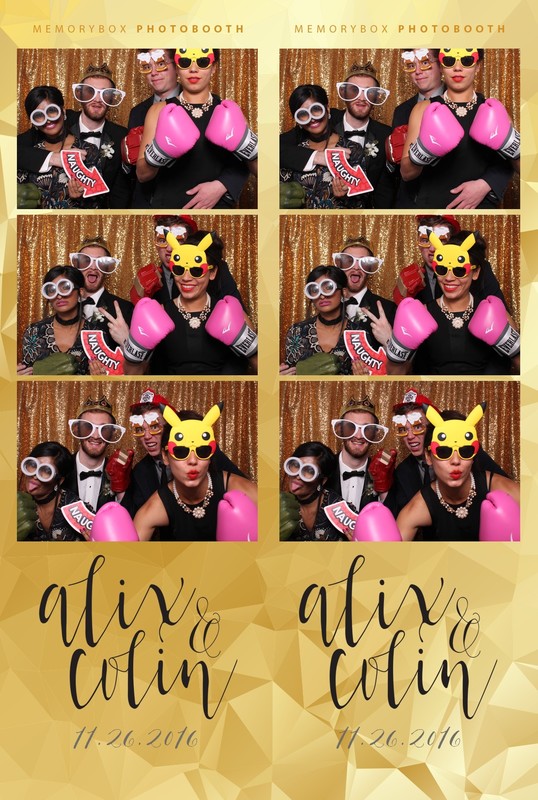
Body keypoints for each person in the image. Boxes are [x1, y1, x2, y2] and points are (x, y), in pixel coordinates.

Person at [122, 231, 257, 375]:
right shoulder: (159, 313)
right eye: (179, 269)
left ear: (212, 273)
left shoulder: (234, 314)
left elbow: (261, 372)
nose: (186, 278)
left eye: (196, 270)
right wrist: (134, 351)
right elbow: (132, 376)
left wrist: (250, 348)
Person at [387, 230, 520, 375]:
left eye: (459, 270)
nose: (449, 278)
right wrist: (396, 353)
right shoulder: (421, 313)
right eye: (442, 269)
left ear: (475, 273)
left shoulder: (496, 313)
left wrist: (513, 347)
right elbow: (395, 375)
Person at [401, 49, 518, 209]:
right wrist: (423, 151)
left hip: (481, 208)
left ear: (478, 66)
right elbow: (406, 174)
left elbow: (520, 168)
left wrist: (485, 184)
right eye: (449, 61)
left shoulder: (494, 109)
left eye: (467, 60)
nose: (457, 68)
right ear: (441, 67)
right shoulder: (423, 109)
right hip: (433, 206)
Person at [136, 48, 251, 208]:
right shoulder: (159, 110)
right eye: (185, 62)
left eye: (203, 62)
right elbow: (142, 175)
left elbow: (252, 167)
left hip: (217, 208)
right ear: (177, 68)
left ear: (214, 67)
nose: (193, 69)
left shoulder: (230, 110)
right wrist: (159, 152)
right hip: (170, 207)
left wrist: (221, 185)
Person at [132, 403, 257, 541]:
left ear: (211, 455)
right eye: (180, 452)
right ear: (165, 457)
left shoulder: (237, 487)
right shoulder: (155, 507)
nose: (192, 461)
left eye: (202, 451)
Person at [384, 387, 508, 523]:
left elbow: (506, 494)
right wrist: (383, 488)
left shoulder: (468, 453)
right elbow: (398, 518)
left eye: (418, 427)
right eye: (403, 429)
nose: (410, 436)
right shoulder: (403, 471)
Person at [397, 405, 520, 541]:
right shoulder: (420, 506)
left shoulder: (498, 487)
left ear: (474, 455)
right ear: (428, 457)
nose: (455, 461)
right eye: (443, 451)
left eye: (465, 451)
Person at [121, 386, 245, 520]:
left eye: (155, 427)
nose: (147, 436)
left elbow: (243, 493)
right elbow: (135, 518)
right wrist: (120, 488)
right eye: (140, 429)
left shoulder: (204, 453)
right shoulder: (140, 471)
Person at [392, 215, 509, 308]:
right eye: (425, 240)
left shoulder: (477, 269)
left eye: (441, 241)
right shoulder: (412, 278)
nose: (432, 249)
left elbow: (502, 315)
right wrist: (403, 301)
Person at [17, 85, 100, 209]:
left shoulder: (87, 150)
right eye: (39, 115)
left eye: (52, 111)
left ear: (63, 112)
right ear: (33, 122)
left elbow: (97, 200)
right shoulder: (29, 151)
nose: (48, 120)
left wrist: (81, 197)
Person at [329, 62, 395, 208]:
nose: (361, 98)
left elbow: (386, 189)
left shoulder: (385, 135)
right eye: (354, 90)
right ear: (344, 94)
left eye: (369, 92)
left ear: (376, 97)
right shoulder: (326, 122)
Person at [18, 265, 105, 375]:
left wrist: (99, 377)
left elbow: (106, 377)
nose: (59, 296)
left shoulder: (96, 335)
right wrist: (18, 377)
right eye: (52, 290)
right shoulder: (34, 332)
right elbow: (27, 376)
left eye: (65, 287)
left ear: (81, 292)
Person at [123, 49, 181, 208]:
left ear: (177, 66)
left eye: (161, 64)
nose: (154, 73)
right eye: (147, 67)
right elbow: (134, 172)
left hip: (183, 201)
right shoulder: (137, 111)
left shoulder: (196, 103)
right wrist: (126, 160)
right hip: (144, 203)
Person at [388, 48, 444, 207]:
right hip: (409, 201)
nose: (418, 71)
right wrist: (391, 158)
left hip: (448, 200)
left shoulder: (461, 102)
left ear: (441, 65)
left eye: (425, 63)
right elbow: (398, 171)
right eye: (412, 65)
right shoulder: (401, 110)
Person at [334, 236, 396, 374]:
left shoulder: (387, 309)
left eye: (363, 262)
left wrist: (389, 340)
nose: (356, 267)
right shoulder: (328, 306)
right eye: (349, 261)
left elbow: (402, 367)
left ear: (369, 268)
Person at [281, 266, 357, 375]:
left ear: (343, 292)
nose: (321, 296)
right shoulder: (297, 332)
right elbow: (291, 375)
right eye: (315, 290)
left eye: (328, 287)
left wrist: (363, 377)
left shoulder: (358, 334)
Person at [279, 84, 344, 208]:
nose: (312, 118)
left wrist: (347, 194)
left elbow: (362, 198)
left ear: (327, 109)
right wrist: (317, 156)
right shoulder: (294, 148)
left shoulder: (349, 147)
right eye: (303, 114)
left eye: (316, 109)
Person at [326, 397, 395, 510]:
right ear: (341, 430)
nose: (358, 436)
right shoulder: (325, 469)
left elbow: (392, 516)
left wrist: (383, 489)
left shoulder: (384, 472)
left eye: (367, 429)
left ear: (375, 433)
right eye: (350, 427)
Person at [63, 396, 130, 511]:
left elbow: (129, 516)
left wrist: (120, 490)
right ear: (77, 429)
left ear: (112, 433)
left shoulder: (122, 472)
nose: (96, 436)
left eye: (104, 429)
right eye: (87, 427)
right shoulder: (62, 469)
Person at [69, 235, 133, 352]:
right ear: (77, 266)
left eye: (100, 263)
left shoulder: (125, 309)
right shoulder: (66, 305)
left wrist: (126, 341)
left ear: (107, 269)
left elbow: (140, 361)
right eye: (86, 261)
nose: (93, 267)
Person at [282, 441, 353, 541]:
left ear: (322, 480)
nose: (298, 476)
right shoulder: (283, 504)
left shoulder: (339, 510)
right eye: (296, 465)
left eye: (309, 471)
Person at [18, 442, 86, 541]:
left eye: (47, 470)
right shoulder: (19, 503)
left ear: (59, 480)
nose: (35, 476)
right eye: (33, 464)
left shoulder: (75, 508)